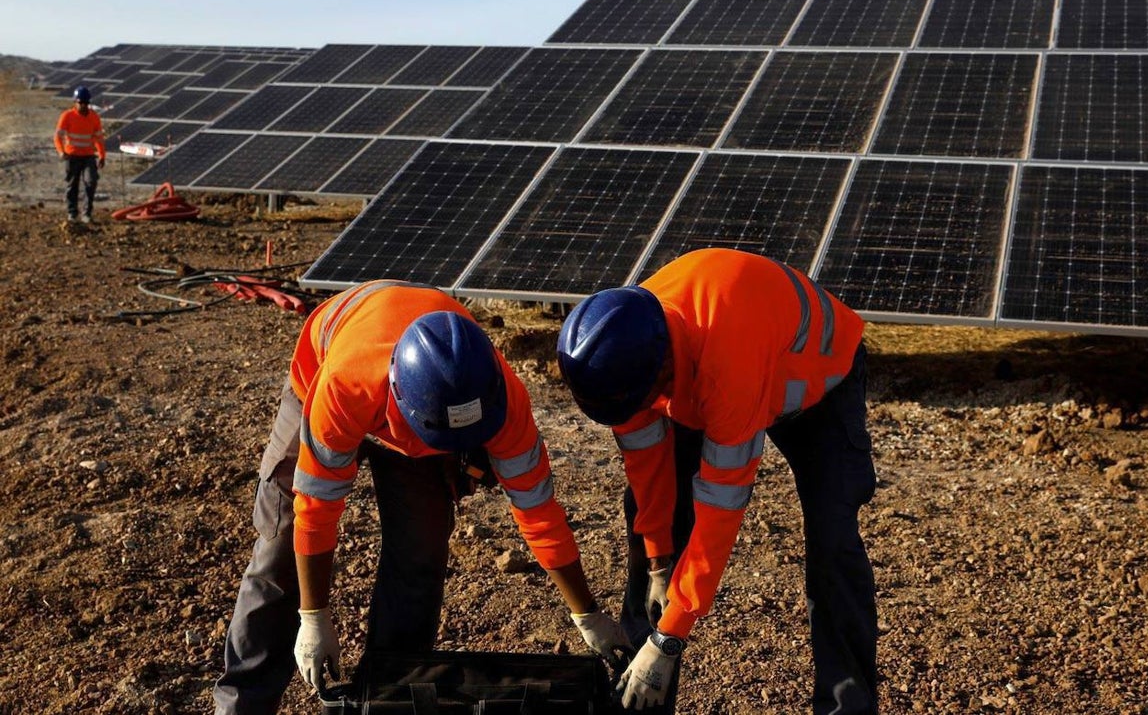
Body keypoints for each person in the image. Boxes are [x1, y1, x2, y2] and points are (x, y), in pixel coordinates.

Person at [214, 280, 629, 714]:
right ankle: (243, 703)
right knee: (281, 548)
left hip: (430, 412)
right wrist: (314, 617)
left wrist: (588, 614)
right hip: (326, 380)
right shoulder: (345, 384)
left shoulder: (503, 402)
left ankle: (392, 697)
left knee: (421, 551)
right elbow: (315, 509)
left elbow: (539, 512)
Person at [557, 248, 877, 714]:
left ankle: (847, 706)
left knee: (833, 542)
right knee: (644, 521)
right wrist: (659, 559)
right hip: (708, 369)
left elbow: (721, 509)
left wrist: (671, 636)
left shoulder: (727, 363)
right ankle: (638, 699)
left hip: (819, 379)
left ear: (661, 370)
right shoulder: (617, 355)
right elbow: (650, 470)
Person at [54, 85, 106, 224]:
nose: (83, 106)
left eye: (86, 103)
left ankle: (87, 213)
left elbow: (98, 138)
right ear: (75, 102)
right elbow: (57, 137)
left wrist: (102, 155)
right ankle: (72, 213)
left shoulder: (94, 117)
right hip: (72, 156)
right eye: (80, 103)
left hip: (88, 156)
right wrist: (61, 151)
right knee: (72, 185)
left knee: (91, 182)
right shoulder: (67, 116)